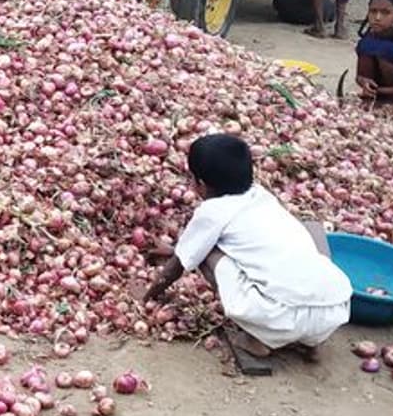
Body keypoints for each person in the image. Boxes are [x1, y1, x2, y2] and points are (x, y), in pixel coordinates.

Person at [141, 135, 353, 362]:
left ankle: (257, 340)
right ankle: (311, 342)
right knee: (310, 231)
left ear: (200, 184)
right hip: (333, 311)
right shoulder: (262, 196)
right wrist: (176, 249)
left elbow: (177, 268)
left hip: (278, 317)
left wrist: (147, 296)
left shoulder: (212, 211)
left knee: (206, 253)